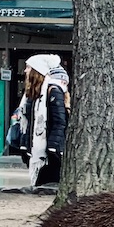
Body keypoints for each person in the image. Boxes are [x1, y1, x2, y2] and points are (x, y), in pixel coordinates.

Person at [13, 54, 69, 187]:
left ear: (37, 71)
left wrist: (52, 147)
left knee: (47, 185)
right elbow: (27, 122)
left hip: (48, 153)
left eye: (28, 67)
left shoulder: (53, 91)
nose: (25, 71)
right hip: (35, 149)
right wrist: (24, 144)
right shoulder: (32, 94)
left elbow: (59, 121)